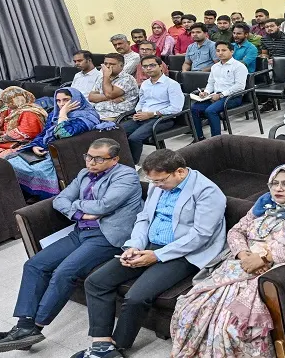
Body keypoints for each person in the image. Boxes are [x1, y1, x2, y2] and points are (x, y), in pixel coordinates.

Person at [171, 164, 285, 357]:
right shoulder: (266, 205)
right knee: (189, 308)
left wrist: (266, 257)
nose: (278, 188)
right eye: (274, 183)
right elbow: (237, 231)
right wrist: (244, 255)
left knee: (229, 326)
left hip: (266, 272)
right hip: (240, 265)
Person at [0, 138, 143, 354]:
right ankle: (24, 326)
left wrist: (77, 205)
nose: (91, 162)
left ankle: (35, 327)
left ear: (114, 159)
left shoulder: (126, 175)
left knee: (64, 272)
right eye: (88, 156)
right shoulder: (83, 174)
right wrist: (80, 212)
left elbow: (105, 205)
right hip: (80, 231)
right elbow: (60, 200)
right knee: (35, 264)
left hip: (107, 237)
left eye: (98, 159)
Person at [71, 150, 227, 358]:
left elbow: (200, 236)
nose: (156, 185)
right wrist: (133, 246)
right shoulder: (157, 186)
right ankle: (102, 345)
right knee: (96, 282)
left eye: (160, 181)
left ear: (179, 172)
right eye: (152, 181)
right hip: (150, 245)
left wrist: (157, 256)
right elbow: (144, 218)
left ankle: (118, 346)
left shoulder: (207, 191)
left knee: (136, 296)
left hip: (184, 253)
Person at [5, 88, 101, 199]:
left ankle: (48, 198)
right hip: (46, 148)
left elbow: (62, 133)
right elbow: (44, 133)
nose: (61, 104)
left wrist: (63, 114)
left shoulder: (86, 117)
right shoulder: (54, 114)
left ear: (76, 99)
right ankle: (29, 194)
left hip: (64, 151)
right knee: (11, 162)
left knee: (39, 170)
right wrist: (36, 145)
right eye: (58, 101)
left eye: (66, 100)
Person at [117, 56, 186, 160]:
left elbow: (176, 108)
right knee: (117, 132)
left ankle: (133, 164)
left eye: (152, 65)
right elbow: (141, 101)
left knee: (134, 138)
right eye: (145, 66)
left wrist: (152, 114)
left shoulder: (172, 84)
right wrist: (139, 111)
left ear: (161, 66)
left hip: (162, 119)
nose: (148, 68)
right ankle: (124, 160)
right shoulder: (145, 84)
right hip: (143, 117)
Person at [189, 41, 249, 139]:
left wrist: (221, 95)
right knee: (194, 108)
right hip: (215, 96)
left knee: (210, 111)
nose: (220, 53)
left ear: (232, 51)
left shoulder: (239, 66)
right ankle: (199, 137)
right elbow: (211, 83)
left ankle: (216, 140)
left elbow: (239, 86)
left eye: (224, 50)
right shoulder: (215, 67)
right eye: (218, 51)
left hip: (232, 97)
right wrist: (206, 92)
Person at [86, 52, 140, 123]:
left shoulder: (127, 79)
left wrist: (106, 77)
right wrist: (110, 98)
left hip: (116, 115)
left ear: (121, 66)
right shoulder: (101, 79)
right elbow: (91, 97)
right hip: (97, 112)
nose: (108, 66)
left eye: (112, 64)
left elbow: (109, 94)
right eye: (105, 64)